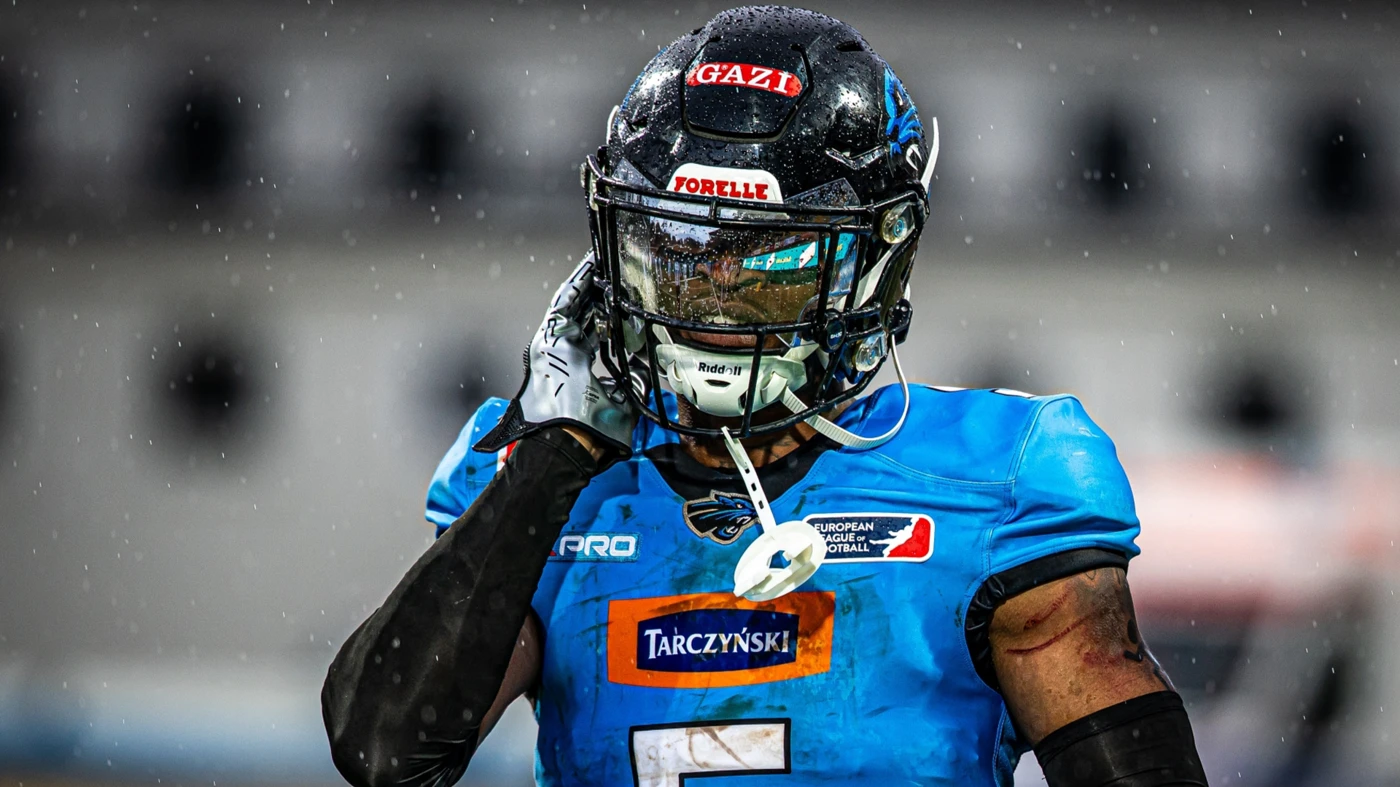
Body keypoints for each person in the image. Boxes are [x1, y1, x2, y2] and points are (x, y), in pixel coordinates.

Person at [321, 6, 1209, 786]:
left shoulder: (995, 482)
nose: (714, 299)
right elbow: (384, 750)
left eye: (766, 260)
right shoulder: (543, 476)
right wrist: (554, 453)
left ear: (873, 262)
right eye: (680, 249)